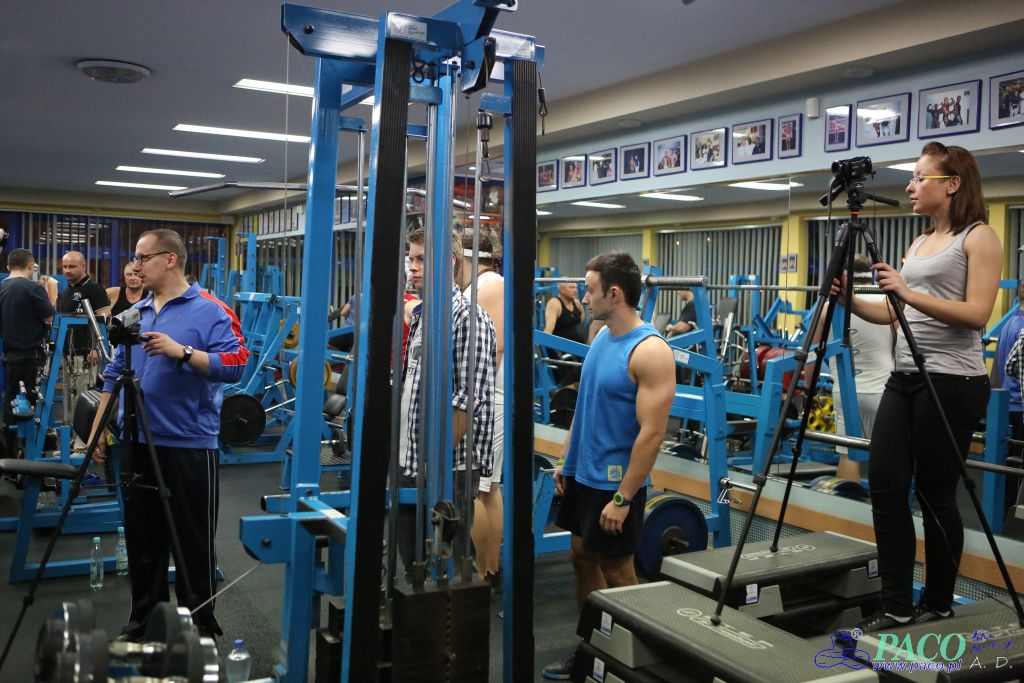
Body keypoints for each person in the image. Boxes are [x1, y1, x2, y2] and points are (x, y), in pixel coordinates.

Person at [839, 143, 1001, 631]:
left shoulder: (979, 237)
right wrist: (851, 301)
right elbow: (897, 314)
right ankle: (895, 604)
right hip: (905, 375)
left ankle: (939, 600)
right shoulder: (918, 242)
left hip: (952, 380)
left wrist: (907, 291)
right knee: (886, 486)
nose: (909, 186)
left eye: (919, 177)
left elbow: (977, 314)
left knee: (934, 494)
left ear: (951, 184)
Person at [87, 229, 249, 641]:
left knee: (191, 541)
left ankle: (200, 629)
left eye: (143, 258)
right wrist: (96, 431)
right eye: (135, 259)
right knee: (143, 541)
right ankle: (145, 623)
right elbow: (113, 375)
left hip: (188, 445)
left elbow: (236, 364)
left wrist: (183, 352)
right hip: (138, 443)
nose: (135, 266)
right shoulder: (136, 312)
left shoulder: (211, 310)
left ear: (170, 259)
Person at [543, 251, 675, 679]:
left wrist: (624, 498)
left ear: (614, 293)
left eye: (590, 289)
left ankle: (639, 660)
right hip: (584, 473)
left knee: (617, 569)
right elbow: (585, 404)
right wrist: (566, 458)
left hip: (615, 483)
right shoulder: (601, 337)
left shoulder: (650, 351)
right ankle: (592, 646)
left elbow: (652, 434)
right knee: (581, 554)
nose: (584, 296)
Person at [396, 226, 495, 577]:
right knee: (415, 563)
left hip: (446, 468)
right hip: (412, 462)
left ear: (449, 262)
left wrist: (433, 463)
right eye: (411, 259)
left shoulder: (468, 317)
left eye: (421, 259)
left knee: (450, 567)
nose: (413, 267)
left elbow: (468, 399)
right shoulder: (424, 315)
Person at [457, 231, 505, 588]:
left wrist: (472, 399)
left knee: (478, 489)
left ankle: (484, 570)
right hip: (484, 396)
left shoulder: (490, 285)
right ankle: (486, 569)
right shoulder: (479, 286)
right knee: (485, 488)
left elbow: (495, 347)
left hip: (488, 398)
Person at [828, 254, 893, 482]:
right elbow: (901, 349)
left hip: (844, 393)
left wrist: (808, 390)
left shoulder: (828, 306)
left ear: (844, 277)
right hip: (880, 392)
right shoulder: (887, 305)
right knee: (885, 457)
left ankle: (846, 504)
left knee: (848, 455)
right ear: (871, 274)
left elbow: (813, 355)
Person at [0, 249, 56, 458]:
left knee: (10, 405)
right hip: (30, 357)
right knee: (31, 406)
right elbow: (51, 319)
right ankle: (30, 456)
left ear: (9, 266)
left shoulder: (2, 287)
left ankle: (9, 457)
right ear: (31, 266)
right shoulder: (32, 287)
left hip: (9, 356)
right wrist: (52, 293)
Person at [56, 251, 110, 430]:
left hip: (86, 355)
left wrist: (96, 348)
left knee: (82, 399)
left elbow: (105, 322)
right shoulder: (67, 290)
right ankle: (72, 438)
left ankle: (83, 441)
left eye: (72, 266)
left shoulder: (94, 289)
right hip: (69, 355)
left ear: (84, 266)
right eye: (64, 267)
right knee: (70, 399)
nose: (67, 270)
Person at [997, 280, 1024, 508]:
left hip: (1009, 401)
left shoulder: (1009, 323)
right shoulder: (1021, 326)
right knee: (1016, 464)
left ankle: (1005, 507)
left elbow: (1004, 366)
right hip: (1019, 404)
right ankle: (1009, 510)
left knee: (1011, 461)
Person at [544, 281, 586, 384]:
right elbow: (548, 330)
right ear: (561, 290)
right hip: (561, 349)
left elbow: (581, 319)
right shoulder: (554, 303)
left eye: (575, 287)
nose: (575, 290)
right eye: (571, 287)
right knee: (571, 375)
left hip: (577, 347)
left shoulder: (576, 303)